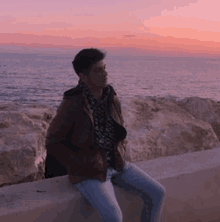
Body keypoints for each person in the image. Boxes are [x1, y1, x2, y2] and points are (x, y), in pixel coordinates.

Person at [45, 48, 166, 222]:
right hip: (89, 172)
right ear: (83, 76)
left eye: (104, 68)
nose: (105, 73)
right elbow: (53, 142)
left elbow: (120, 132)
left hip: (116, 164)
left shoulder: (111, 97)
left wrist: (120, 153)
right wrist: (81, 165)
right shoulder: (72, 103)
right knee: (114, 217)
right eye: (98, 70)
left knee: (157, 193)